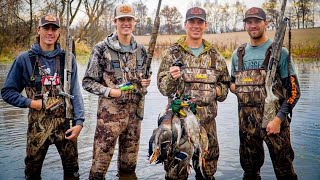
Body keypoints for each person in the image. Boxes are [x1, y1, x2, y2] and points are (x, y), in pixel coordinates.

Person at [1, 14, 85, 179]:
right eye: (46, 28)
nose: (50, 32)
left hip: (66, 125)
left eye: (54, 28)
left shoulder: (68, 59)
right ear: (38, 30)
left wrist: (80, 122)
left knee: (72, 173)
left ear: (59, 33)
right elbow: (7, 92)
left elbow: (76, 92)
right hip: (37, 129)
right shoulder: (24, 59)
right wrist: (31, 103)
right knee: (32, 174)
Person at [156, 7, 230, 180]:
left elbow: (225, 90)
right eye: (192, 22)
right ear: (185, 25)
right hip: (179, 128)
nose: (196, 26)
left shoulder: (215, 56)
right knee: (175, 174)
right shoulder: (172, 53)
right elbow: (162, 88)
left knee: (207, 173)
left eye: (200, 22)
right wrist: (172, 78)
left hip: (207, 127)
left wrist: (215, 90)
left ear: (206, 25)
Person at [229, 7, 300, 180]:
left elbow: (294, 92)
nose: (253, 25)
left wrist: (278, 119)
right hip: (247, 127)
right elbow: (231, 83)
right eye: (249, 22)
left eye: (257, 21)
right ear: (246, 25)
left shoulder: (280, 53)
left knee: (285, 172)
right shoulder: (238, 54)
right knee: (250, 173)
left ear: (265, 23)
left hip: (275, 124)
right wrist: (237, 87)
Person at [82, 4, 151, 179]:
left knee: (129, 170)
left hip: (134, 119)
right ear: (115, 22)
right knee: (98, 171)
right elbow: (88, 82)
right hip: (109, 121)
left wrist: (145, 82)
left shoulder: (141, 50)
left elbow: (143, 79)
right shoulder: (101, 48)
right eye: (122, 19)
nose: (126, 23)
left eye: (129, 19)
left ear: (135, 22)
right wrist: (109, 92)